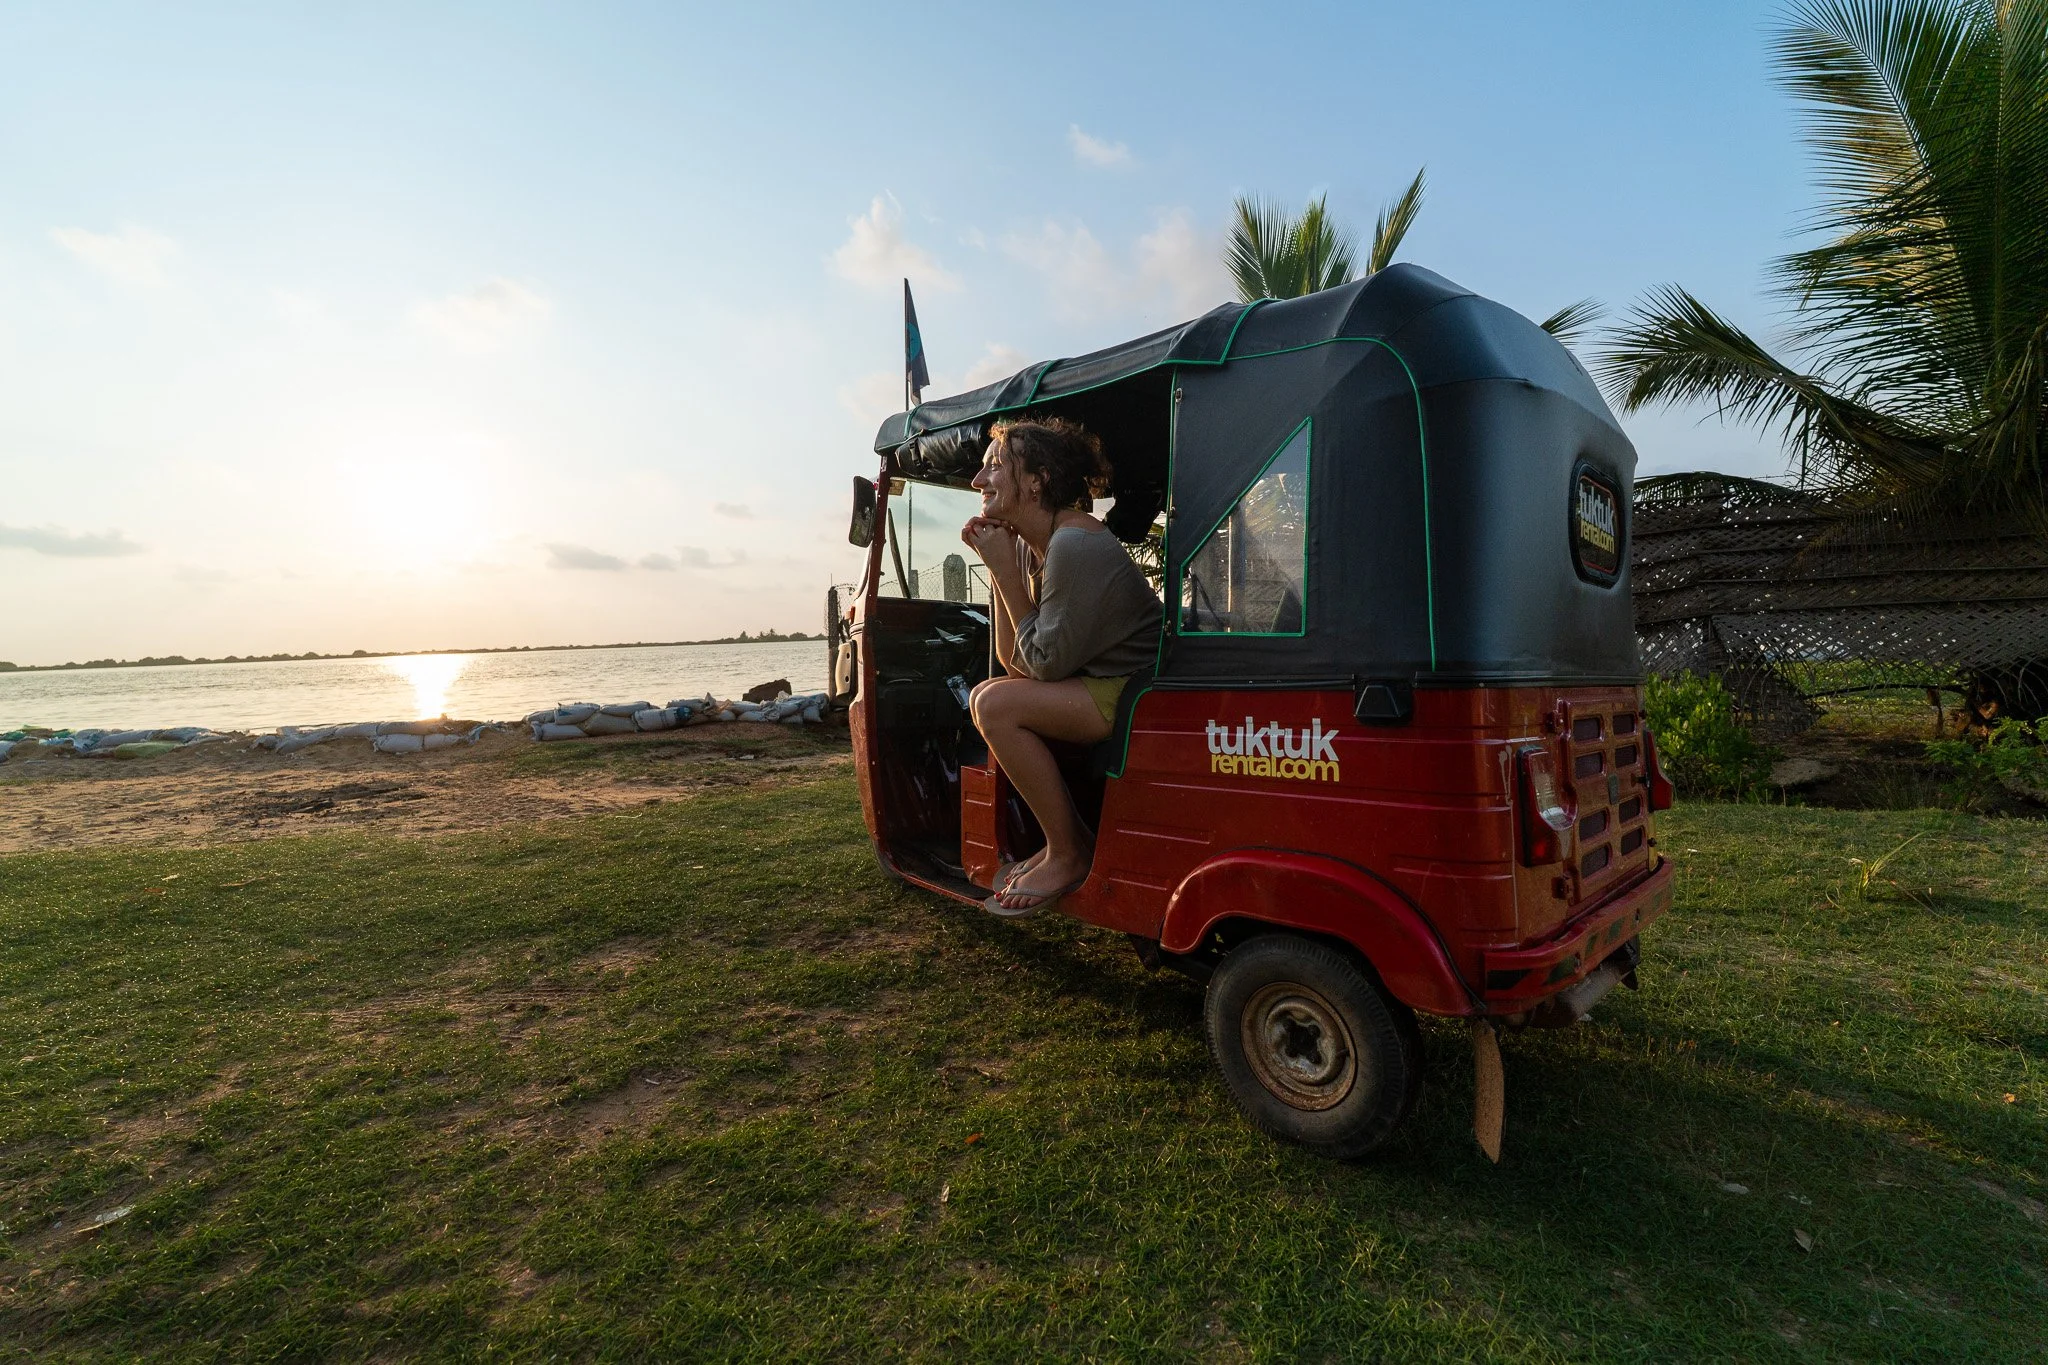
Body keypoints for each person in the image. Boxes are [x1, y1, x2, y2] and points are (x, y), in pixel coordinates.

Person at [960, 417, 1161, 916]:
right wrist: (1000, 569)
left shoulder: (1074, 545)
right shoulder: (1039, 547)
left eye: (994, 467)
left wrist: (1004, 571)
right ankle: (1061, 846)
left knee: (994, 704)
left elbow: (1043, 664)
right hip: (1103, 685)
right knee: (993, 693)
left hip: (1140, 694)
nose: (977, 482)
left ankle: (1070, 852)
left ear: (1037, 481)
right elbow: (1016, 660)